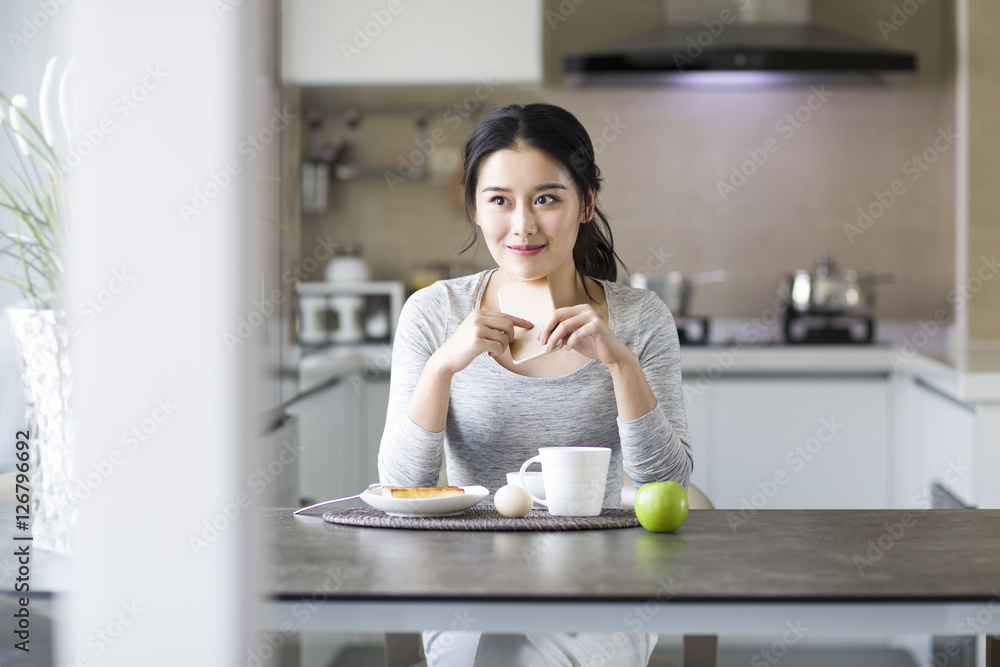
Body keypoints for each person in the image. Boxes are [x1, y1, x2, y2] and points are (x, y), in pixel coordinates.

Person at [377, 103, 692, 667]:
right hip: (467, 581)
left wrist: (621, 364)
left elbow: (666, 483)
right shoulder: (433, 313)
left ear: (586, 203)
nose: (522, 225)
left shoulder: (640, 319)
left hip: (603, 583)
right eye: (499, 200)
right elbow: (403, 485)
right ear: (475, 208)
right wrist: (443, 367)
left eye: (546, 198)